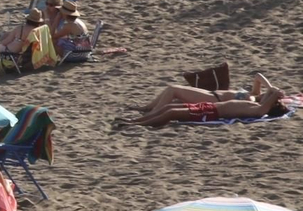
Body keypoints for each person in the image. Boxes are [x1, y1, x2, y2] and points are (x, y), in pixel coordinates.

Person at [115, 86, 290, 126]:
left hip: (211, 112)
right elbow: (270, 92)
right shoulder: (258, 104)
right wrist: (275, 93)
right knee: (169, 108)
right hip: (208, 107)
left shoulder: (259, 110)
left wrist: (277, 94)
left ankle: (137, 124)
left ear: (271, 105)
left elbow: (271, 96)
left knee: (171, 113)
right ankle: (135, 120)